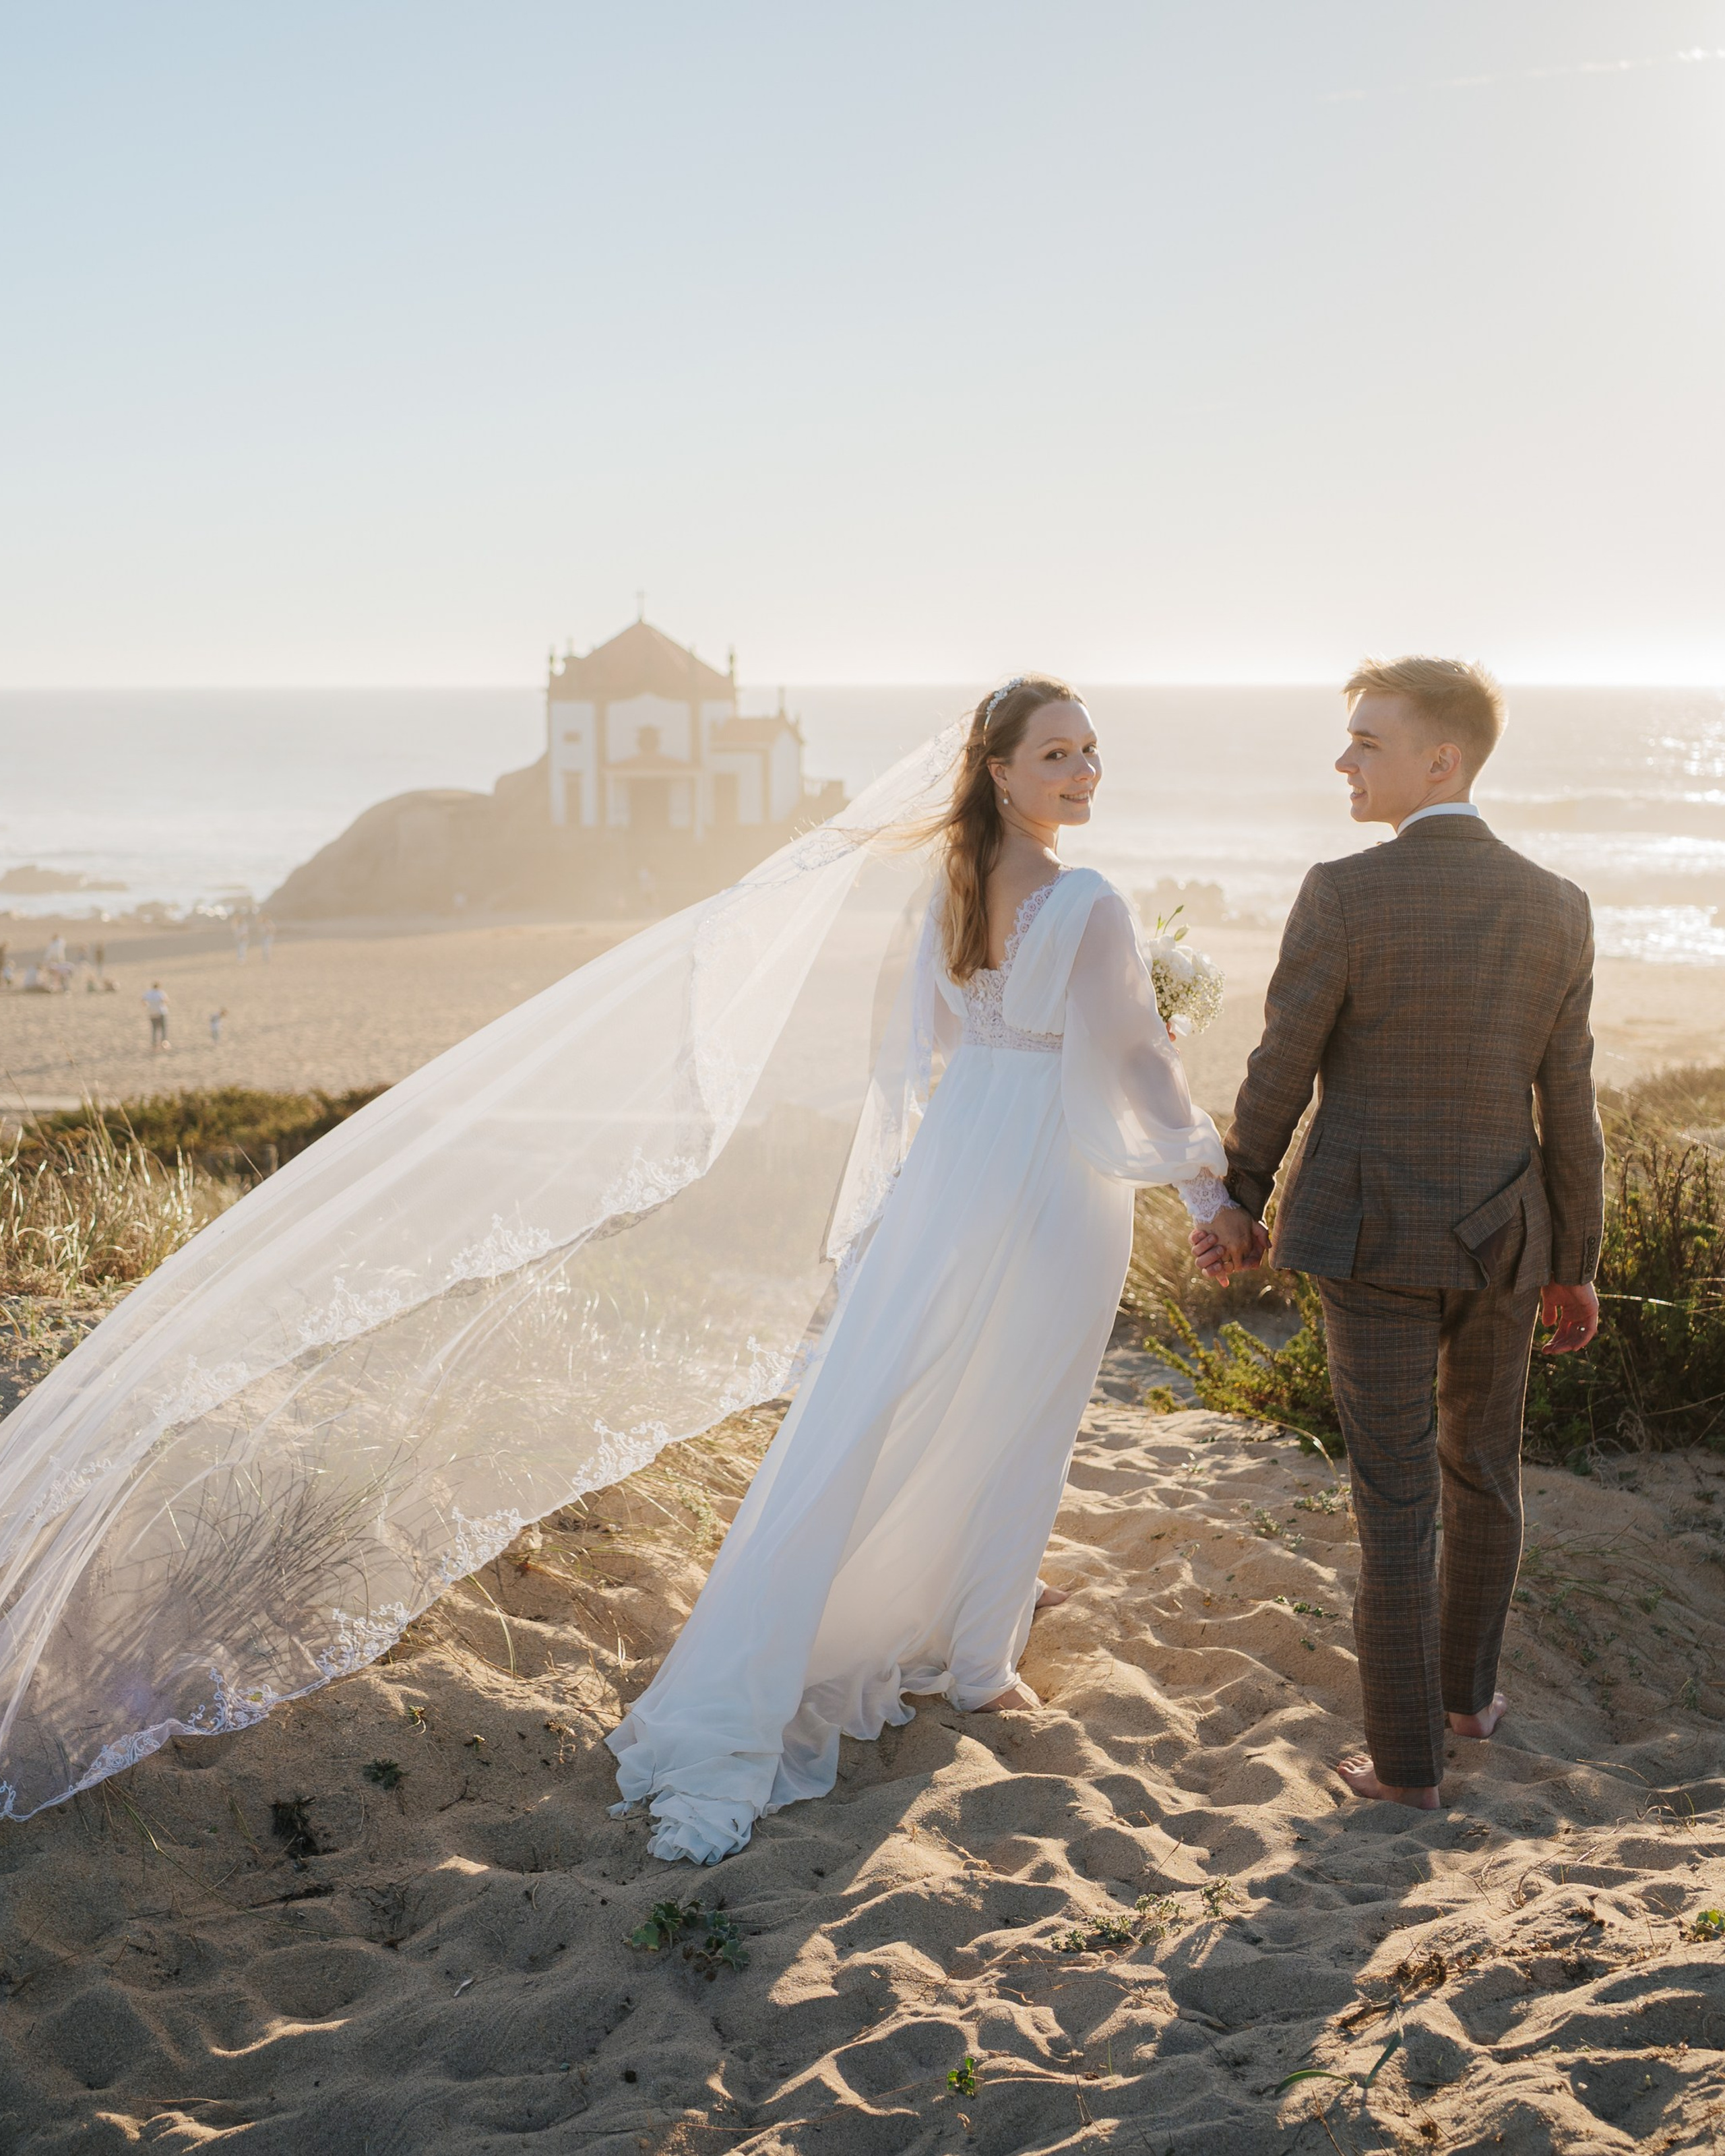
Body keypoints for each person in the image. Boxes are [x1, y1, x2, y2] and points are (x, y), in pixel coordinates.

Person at [608, 676, 1233, 1862]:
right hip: (1050, 1176)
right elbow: (1142, 1061)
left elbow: (939, 1041)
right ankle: (981, 1660)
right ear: (998, 769)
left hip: (957, 1166)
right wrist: (1208, 1184)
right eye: (1057, 754)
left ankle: (941, 1617)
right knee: (1024, 1409)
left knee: (920, 1390)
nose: (1084, 772)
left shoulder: (948, 886)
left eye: (1093, 752)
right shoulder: (1089, 897)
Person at [1191, 656, 1604, 1812]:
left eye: (1367, 741)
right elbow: (1569, 1108)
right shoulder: (1558, 905)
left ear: (1444, 759)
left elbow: (1282, 1065)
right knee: (1485, 1471)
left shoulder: (1344, 892)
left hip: (1369, 1240)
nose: (1345, 761)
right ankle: (1470, 1702)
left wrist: (1239, 1196)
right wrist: (1576, 1263)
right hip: (1508, 1239)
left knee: (1395, 1498)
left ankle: (1407, 1767)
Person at [142, 981, 170, 1052]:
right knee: (163, 1029)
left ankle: (154, 1044)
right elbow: (166, 1000)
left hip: (152, 1013)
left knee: (154, 1029)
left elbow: (143, 1001)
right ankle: (164, 1043)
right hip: (161, 1012)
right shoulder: (160, 993)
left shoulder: (148, 993)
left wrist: (148, 1006)